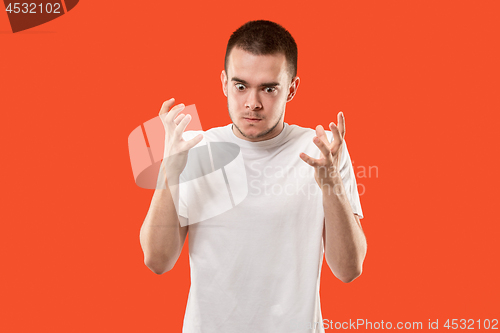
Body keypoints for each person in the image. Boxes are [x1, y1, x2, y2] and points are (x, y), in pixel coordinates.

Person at [139, 20, 367, 333]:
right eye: (241, 85)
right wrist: (170, 170)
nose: (252, 103)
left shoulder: (322, 152)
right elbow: (157, 261)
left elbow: (349, 270)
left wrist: (332, 186)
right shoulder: (194, 148)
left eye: (269, 88)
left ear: (292, 88)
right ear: (223, 83)